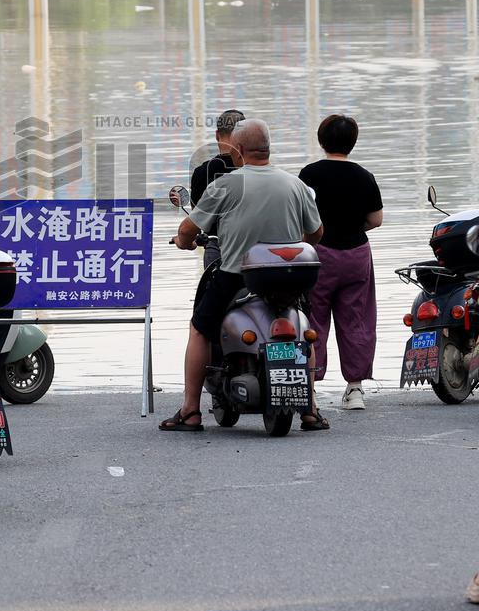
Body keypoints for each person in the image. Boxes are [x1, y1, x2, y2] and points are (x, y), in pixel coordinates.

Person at [160, 119, 328, 433]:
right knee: (303, 326)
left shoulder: (225, 185)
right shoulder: (296, 185)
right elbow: (316, 233)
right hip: (291, 278)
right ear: (268, 148)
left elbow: (188, 230)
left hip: (239, 275)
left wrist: (183, 242)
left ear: (237, 150)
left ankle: (190, 410)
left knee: (200, 329)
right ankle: (311, 411)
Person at [299, 115, 383, 411]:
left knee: (313, 317)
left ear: (322, 141)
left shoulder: (309, 174)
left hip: (319, 254)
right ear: (353, 142)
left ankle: (310, 387)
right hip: (357, 254)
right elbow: (376, 220)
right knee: (356, 319)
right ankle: (355, 389)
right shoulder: (364, 176)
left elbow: (300, 216)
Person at [170, 109, 245, 270]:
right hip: (258, 252)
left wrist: (185, 242)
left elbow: (197, 220)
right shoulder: (258, 170)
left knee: (212, 293)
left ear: (217, 134)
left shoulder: (202, 173)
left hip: (218, 250)